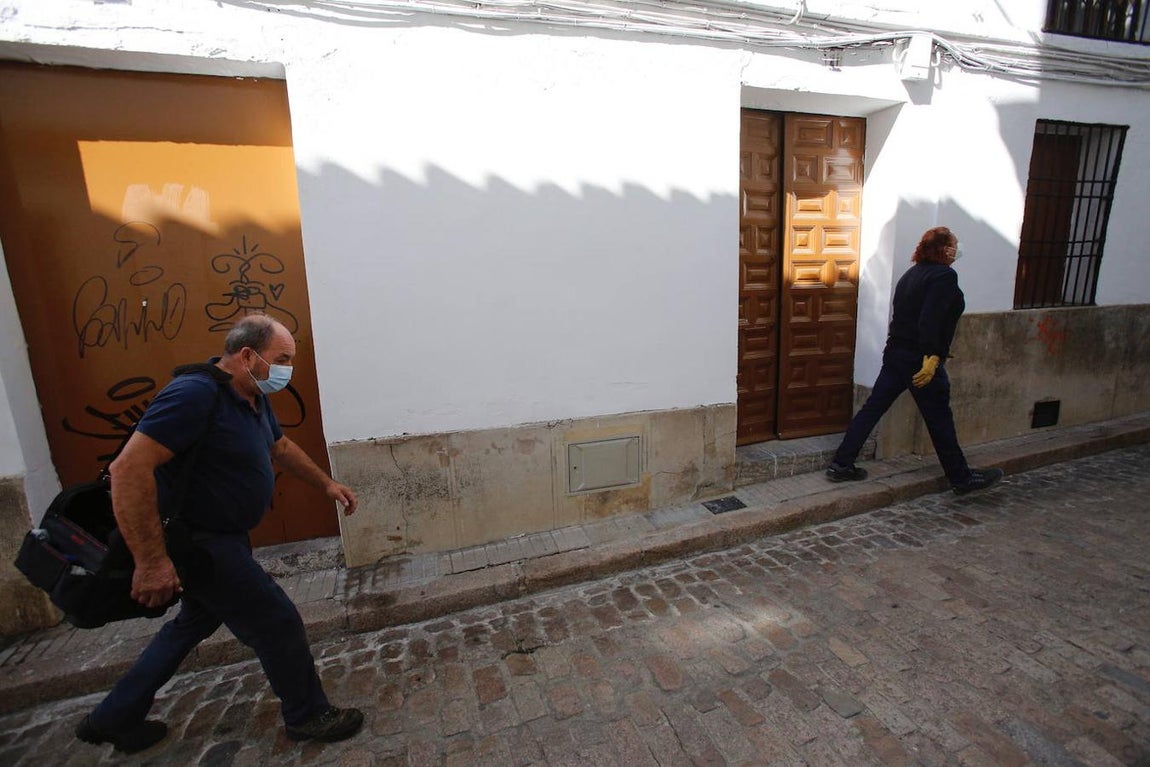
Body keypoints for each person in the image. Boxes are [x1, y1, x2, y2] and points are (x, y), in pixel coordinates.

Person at [75, 314, 364, 754]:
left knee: (192, 622)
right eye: (281, 359)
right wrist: (152, 562)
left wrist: (326, 483)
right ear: (247, 355)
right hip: (201, 545)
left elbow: (279, 446)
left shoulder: (250, 394)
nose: (288, 369)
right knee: (277, 622)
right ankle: (308, 715)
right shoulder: (194, 394)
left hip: (224, 540)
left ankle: (114, 716)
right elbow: (128, 469)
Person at [825, 226, 1004, 495]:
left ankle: (841, 463)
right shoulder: (944, 276)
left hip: (896, 353)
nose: (957, 249)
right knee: (939, 418)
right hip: (921, 359)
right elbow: (930, 321)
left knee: (873, 408)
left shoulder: (912, 274)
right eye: (954, 244)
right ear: (945, 250)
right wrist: (933, 357)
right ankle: (961, 478)